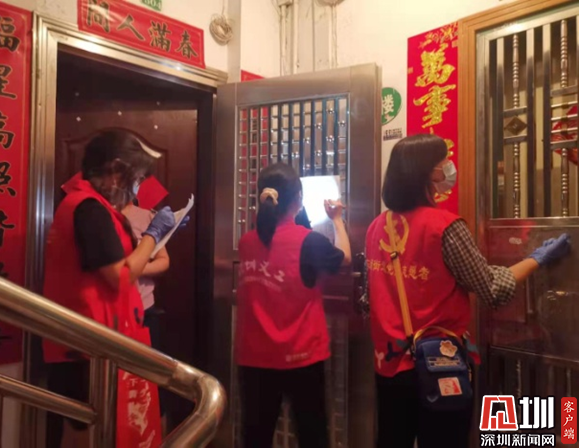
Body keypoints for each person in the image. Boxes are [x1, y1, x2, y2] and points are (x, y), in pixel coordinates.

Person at [366, 134, 571, 448]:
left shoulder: (376, 226)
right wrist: (536, 259)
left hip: (389, 365)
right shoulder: (445, 226)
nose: (449, 168)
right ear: (429, 173)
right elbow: (491, 288)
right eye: (443, 163)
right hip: (437, 366)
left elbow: (370, 297)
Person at [42, 130, 178, 448]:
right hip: (84, 345)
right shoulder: (89, 209)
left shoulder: (90, 205)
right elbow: (121, 275)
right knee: (84, 434)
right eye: (137, 178)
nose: (137, 188)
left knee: (89, 430)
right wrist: (153, 235)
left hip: (89, 339)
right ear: (116, 169)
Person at [236, 162, 352, 448]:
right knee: (312, 436)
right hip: (302, 356)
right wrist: (337, 219)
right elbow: (345, 258)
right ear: (298, 198)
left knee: (255, 437)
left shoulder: (247, 242)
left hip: (254, 359)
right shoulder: (309, 242)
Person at [122, 197, 185, 434]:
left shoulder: (146, 215)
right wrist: (128, 270)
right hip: (114, 314)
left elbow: (164, 260)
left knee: (153, 386)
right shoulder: (100, 214)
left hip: (145, 311)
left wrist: (134, 269)